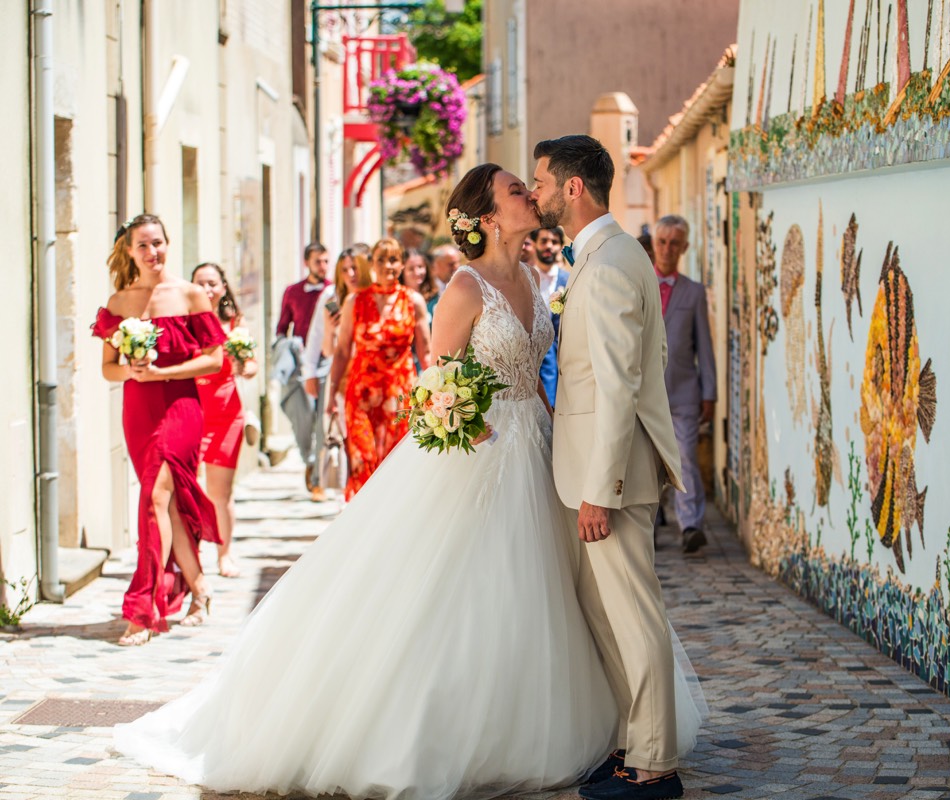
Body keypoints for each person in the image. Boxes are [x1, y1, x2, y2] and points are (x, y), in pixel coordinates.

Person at [112, 164, 703, 799]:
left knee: (553, 593)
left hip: (540, 449)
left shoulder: (534, 276)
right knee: (468, 591)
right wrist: (475, 431)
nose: (529, 194)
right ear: (485, 217)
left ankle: (587, 730)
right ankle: (445, 733)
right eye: (514, 190)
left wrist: (558, 438)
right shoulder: (464, 288)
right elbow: (440, 379)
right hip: (481, 454)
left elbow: (536, 375)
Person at [532, 135, 690, 800]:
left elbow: (621, 386)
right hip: (588, 473)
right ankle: (632, 740)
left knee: (634, 614)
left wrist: (601, 490)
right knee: (605, 615)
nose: (534, 191)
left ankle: (654, 764)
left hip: (610, 478)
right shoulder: (597, 257)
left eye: (540, 181)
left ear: (572, 188)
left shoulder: (614, 262)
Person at [91, 214, 225, 646]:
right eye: (143, 246)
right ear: (129, 252)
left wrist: (163, 376)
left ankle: (143, 610)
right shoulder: (118, 304)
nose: (152, 253)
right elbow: (109, 370)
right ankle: (200, 588)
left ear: (169, 244)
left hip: (182, 406)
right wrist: (132, 372)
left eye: (158, 243)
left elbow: (215, 360)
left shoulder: (188, 295)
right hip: (139, 412)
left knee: (155, 498)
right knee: (164, 505)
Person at [327, 238, 431, 499]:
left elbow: (425, 352)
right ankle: (362, 528)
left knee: (396, 464)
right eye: (381, 260)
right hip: (362, 395)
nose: (388, 266)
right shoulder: (355, 301)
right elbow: (341, 352)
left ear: (401, 263)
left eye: (394, 259)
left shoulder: (413, 300)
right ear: (372, 264)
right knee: (363, 461)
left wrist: (433, 391)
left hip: (401, 395)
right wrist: (331, 394)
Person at [652, 216, 716, 555]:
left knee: (686, 458)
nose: (667, 249)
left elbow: (704, 345)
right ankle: (649, 522)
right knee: (648, 462)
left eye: (674, 243)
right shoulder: (640, 283)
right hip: (645, 394)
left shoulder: (693, 292)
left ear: (684, 248)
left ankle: (691, 525)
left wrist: (710, 392)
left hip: (683, 393)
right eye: (662, 241)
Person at [191, 263, 257, 576]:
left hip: (227, 415)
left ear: (223, 287)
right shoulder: (183, 324)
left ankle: (224, 555)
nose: (207, 289)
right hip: (191, 414)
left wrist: (245, 367)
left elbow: (251, 364)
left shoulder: (234, 323)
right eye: (200, 283)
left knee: (220, 492)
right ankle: (190, 557)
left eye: (212, 283)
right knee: (188, 489)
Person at [300, 247, 361, 501]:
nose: (350, 274)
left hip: (370, 376)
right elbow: (319, 342)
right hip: (339, 374)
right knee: (333, 432)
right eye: (344, 269)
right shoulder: (331, 296)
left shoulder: (373, 295)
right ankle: (328, 484)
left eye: (355, 268)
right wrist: (309, 373)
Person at [274, 242, 330, 491]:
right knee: (303, 420)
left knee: (323, 421)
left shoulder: (333, 291)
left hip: (326, 364)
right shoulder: (293, 292)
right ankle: (309, 459)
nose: (323, 266)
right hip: (300, 366)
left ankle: (318, 474)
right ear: (306, 262)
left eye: (327, 261)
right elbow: (281, 328)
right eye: (318, 261)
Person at [531, 226, 568, 407]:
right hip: (532, 365)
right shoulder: (525, 278)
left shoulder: (569, 281)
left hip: (563, 365)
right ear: (535, 244)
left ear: (561, 246)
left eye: (554, 242)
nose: (549, 246)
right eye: (544, 241)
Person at [400, 247, 439, 319]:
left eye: (420, 267)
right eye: (411, 269)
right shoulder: (397, 297)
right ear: (402, 271)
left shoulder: (434, 296)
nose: (417, 272)